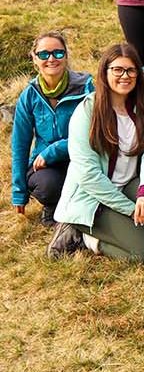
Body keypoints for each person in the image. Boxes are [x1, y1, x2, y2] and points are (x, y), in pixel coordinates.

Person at [47, 44, 144, 265]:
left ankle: (132, 229)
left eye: (130, 70)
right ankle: (87, 238)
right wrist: (131, 210)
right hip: (91, 199)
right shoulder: (87, 112)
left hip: (126, 187)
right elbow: (88, 175)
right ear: (105, 72)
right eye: (117, 70)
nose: (125, 76)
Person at [11, 31, 94, 227]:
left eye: (58, 53)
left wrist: (54, 150)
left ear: (66, 56)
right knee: (48, 186)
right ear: (34, 59)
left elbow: (94, 132)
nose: (51, 59)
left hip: (82, 158)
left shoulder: (86, 88)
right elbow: (20, 145)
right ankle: (52, 207)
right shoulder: (29, 95)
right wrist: (18, 193)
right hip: (46, 166)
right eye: (43, 54)